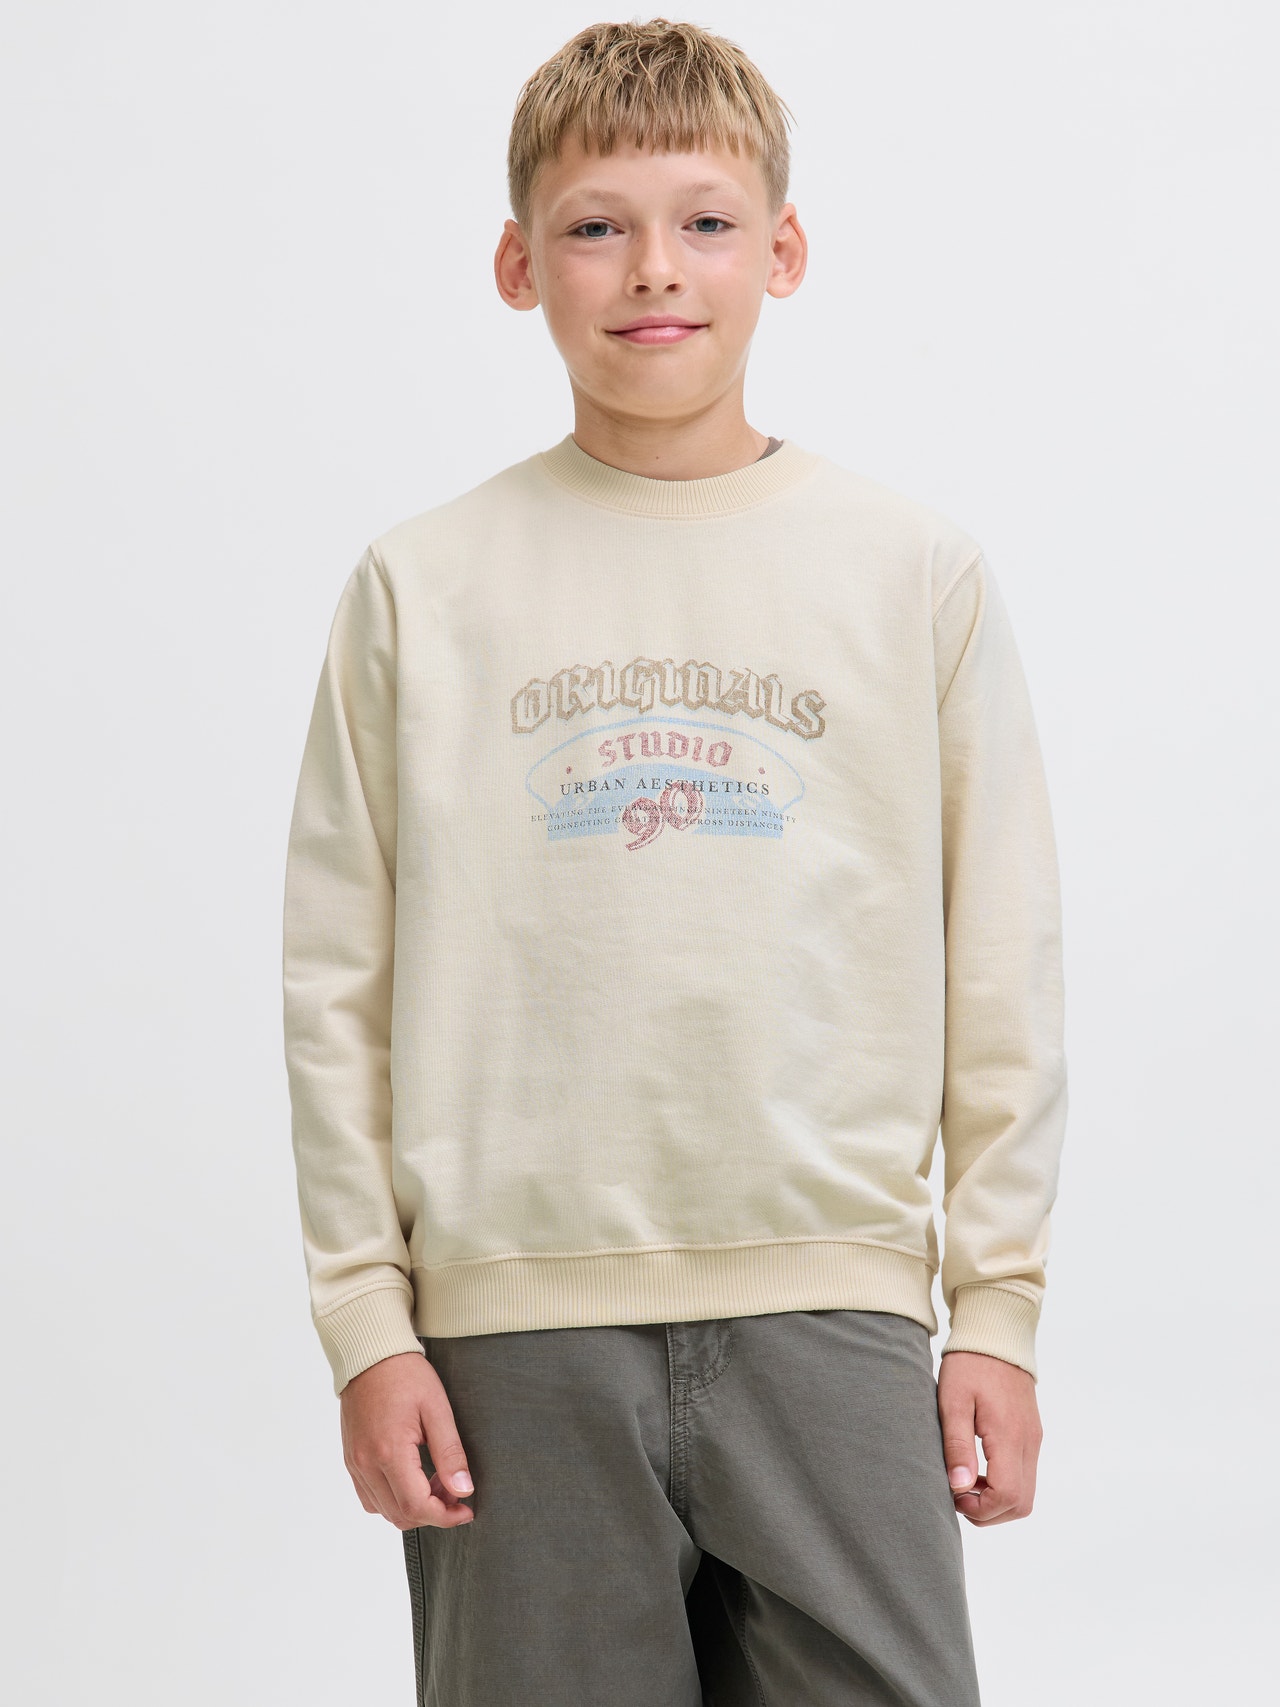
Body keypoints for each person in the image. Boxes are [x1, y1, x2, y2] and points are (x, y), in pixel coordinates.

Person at [281, 16, 1068, 1706]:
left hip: (834, 1302)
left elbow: (997, 959)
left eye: (706, 220)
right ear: (519, 264)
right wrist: (368, 1323)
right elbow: (338, 983)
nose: (655, 267)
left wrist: (996, 1311)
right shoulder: (422, 587)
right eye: (596, 224)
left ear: (783, 250)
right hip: (511, 1332)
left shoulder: (911, 572)